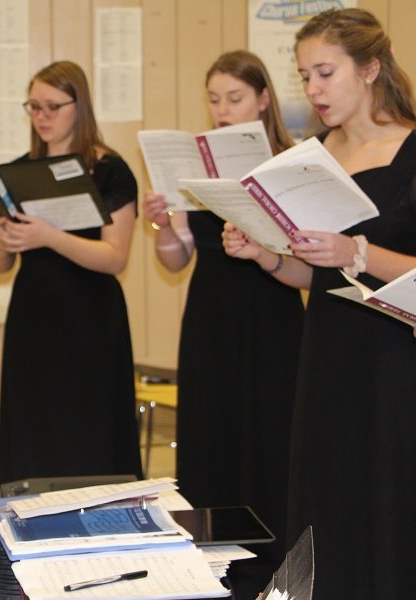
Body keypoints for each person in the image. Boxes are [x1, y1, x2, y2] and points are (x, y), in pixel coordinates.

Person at [223, 9, 416, 598]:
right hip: (329, 351)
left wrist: (356, 250)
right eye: (304, 76)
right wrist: (268, 258)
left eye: (325, 73)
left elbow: (371, 261)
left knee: (389, 497)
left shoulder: (412, 149)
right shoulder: (313, 153)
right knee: (327, 494)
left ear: (370, 69)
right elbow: (317, 275)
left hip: (394, 360)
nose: (312, 89)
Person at [141, 50, 304, 597]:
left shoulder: (293, 160)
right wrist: (163, 225)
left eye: (234, 98)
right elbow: (175, 257)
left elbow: (307, 259)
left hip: (271, 311)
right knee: (211, 433)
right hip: (210, 314)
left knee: (267, 434)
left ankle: (274, 564)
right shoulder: (194, 164)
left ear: (262, 99)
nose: (222, 109)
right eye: (214, 99)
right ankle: (213, 564)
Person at [0, 60, 142, 482]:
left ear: (80, 105)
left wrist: (49, 236)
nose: (42, 117)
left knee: (88, 430)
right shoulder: (15, 172)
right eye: (34, 107)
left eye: (52, 107)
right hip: (33, 314)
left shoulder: (109, 168)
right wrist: (0, 238)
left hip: (90, 315)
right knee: (34, 429)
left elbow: (116, 256)